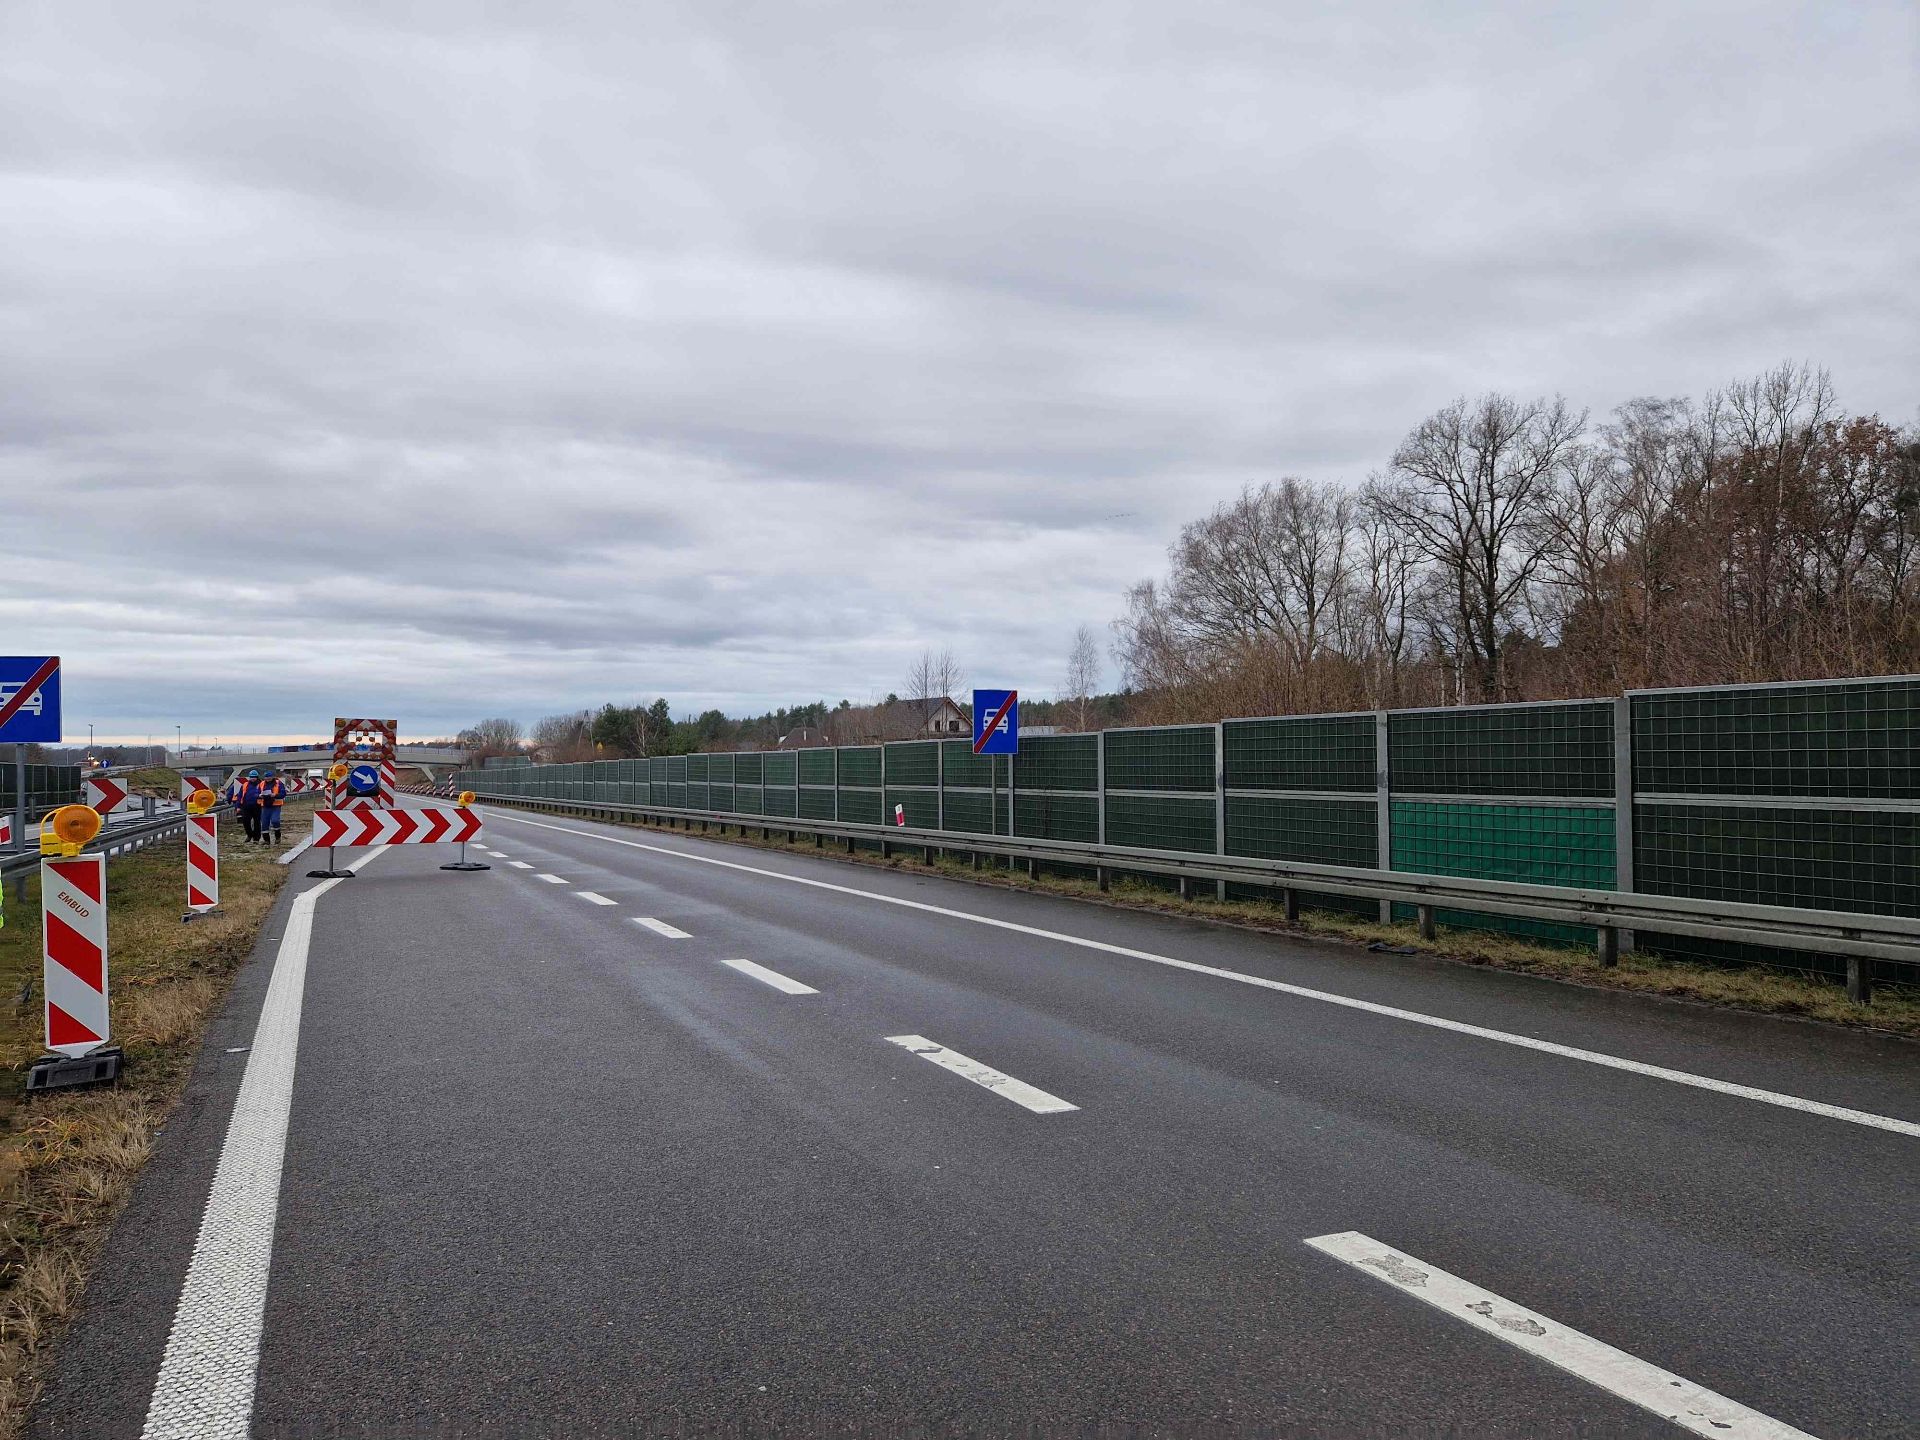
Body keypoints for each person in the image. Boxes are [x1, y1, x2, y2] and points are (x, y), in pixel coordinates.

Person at [258, 769, 287, 846]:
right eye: (266, 777)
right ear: (264, 777)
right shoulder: (261, 784)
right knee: (264, 823)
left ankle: (278, 836)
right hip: (265, 806)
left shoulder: (278, 783)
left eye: (269, 777)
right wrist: (259, 795)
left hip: (276, 805)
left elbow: (283, 793)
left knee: (275, 821)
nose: (267, 778)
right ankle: (266, 841)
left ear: (272, 777)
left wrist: (275, 795)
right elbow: (256, 793)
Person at [236, 768, 263, 843]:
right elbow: (240, 796)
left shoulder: (261, 784)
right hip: (246, 806)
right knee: (245, 821)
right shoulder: (245, 785)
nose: (252, 778)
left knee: (257, 823)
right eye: (251, 777)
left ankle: (256, 838)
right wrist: (238, 806)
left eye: (254, 777)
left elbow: (264, 793)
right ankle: (249, 834)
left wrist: (259, 796)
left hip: (257, 806)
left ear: (257, 777)